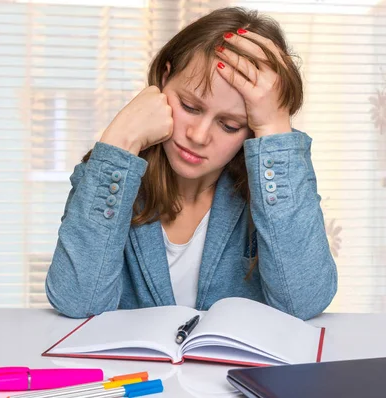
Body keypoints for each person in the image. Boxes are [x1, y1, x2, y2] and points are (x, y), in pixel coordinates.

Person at [45, 7, 337, 320]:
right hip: (135, 371)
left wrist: (274, 129)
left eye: (229, 125)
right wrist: (120, 140)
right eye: (189, 106)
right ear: (166, 76)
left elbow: (304, 302)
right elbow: (77, 302)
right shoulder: (110, 175)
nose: (198, 136)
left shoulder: (274, 183)